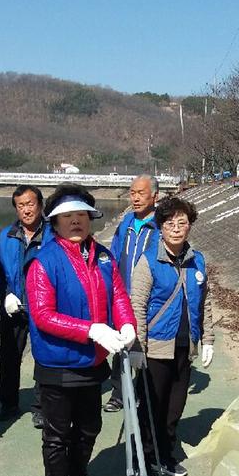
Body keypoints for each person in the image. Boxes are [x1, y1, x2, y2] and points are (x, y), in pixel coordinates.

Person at [25, 183, 137, 476]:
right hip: (58, 363)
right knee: (58, 434)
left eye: (81, 216)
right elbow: (42, 314)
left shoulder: (102, 256)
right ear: (55, 223)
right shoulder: (44, 261)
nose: (76, 222)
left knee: (89, 427)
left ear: (90, 219)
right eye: (67, 217)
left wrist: (127, 323)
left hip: (92, 361)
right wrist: (91, 329)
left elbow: (118, 295)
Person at [128, 196, 214, 476]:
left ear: (190, 226)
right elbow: (137, 305)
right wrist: (136, 347)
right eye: (169, 223)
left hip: (184, 345)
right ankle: (146, 459)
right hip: (154, 348)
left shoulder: (197, 259)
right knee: (151, 406)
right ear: (160, 228)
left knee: (174, 407)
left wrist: (208, 339)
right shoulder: (148, 261)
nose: (177, 228)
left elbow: (205, 302)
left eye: (182, 223)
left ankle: (165, 454)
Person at [0, 185, 52, 428]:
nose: (26, 210)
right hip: (13, 307)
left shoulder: (54, 234)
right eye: (21, 205)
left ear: (40, 204)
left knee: (44, 358)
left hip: (45, 308)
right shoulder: (6, 236)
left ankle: (41, 407)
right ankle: (8, 404)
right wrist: (5, 295)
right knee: (8, 356)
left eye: (30, 204)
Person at [104, 174, 159, 412]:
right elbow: (114, 256)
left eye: (141, 193)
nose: (135, 198)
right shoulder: (126, 222)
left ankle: (143, 393)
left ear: (154, 196)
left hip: (151, 297)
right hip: (123, 295)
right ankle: (119, 394)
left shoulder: (161, 224)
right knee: (122, 344)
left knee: (146, 344)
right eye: (132, 193)